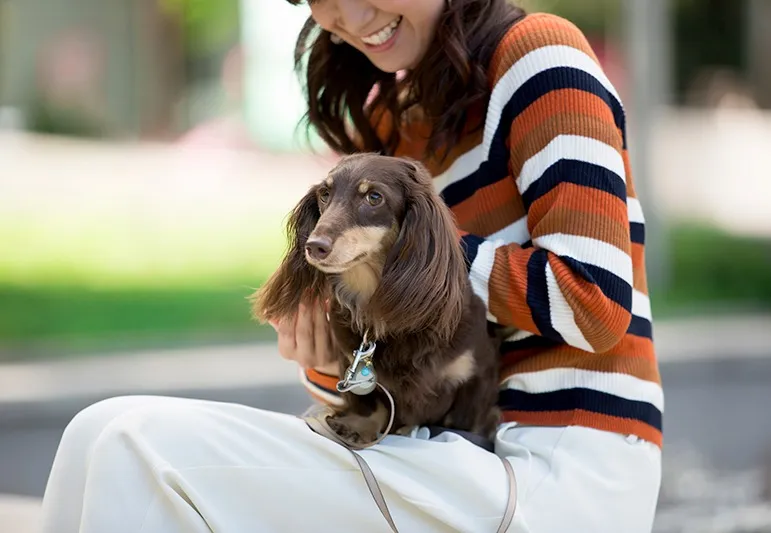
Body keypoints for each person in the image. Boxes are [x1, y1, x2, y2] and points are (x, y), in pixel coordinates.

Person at [39, 1, 663, 531]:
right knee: (95, 431)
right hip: (442, 452)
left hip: (563, 466)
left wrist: (419, 254)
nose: (354, 15)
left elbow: (597, 302)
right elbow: (398, 370)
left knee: (133, 446)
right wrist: (335, 360)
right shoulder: (395, 122)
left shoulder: (539, 57)